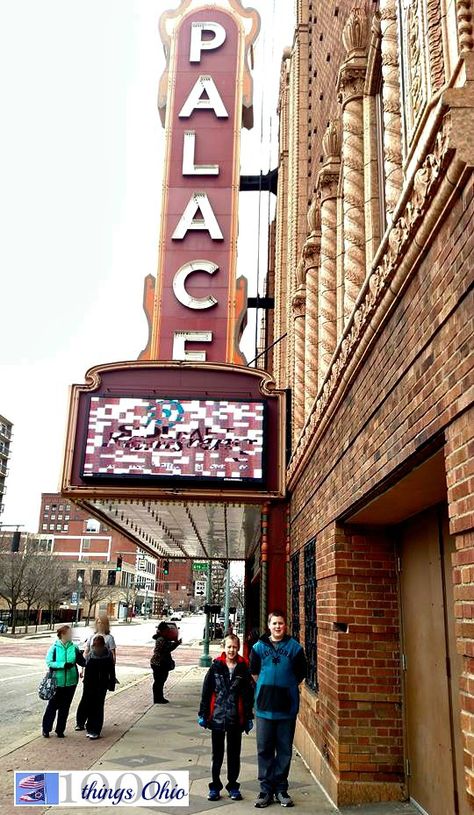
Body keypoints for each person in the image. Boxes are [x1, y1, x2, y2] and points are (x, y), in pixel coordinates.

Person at [250, 610, 307, 808]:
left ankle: (281, 789)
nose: (277, 627)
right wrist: (266, 689)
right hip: (265, 708)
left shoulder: (295, 649)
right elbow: (254, 672)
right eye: (274, 623)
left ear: (285, 625)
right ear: (269, 626)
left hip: (286, 708)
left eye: (281, 623)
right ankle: (265, 790)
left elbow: (301, 674)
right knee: (264, 749)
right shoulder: (257, 648)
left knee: (284, 750)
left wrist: (285, 688)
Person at [198, 634, 254, 802]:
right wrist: (203, 713)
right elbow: (206, 691)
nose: (232, 650)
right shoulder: (216, 666)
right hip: (217, 717)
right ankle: (215, 786)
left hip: (235, 719)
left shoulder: (244, 668)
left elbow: (248, 694)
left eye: (235, 647)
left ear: (238, 648)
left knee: (234, 754)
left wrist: (249, 716)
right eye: (229, 647)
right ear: (224, 647)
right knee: (217, 755)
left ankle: (233, 786)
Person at [42, 624, 85, 738]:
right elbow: (49, 662)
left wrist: (88, 655)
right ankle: (46, 729)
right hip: (57, 682)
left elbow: (82, 661)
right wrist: (62, 665)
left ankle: (60, 730)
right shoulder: (54, 648)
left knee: (65, 707)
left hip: (71, 682)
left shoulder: (74, 647)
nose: (71, 635)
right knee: (52, 706)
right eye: (69, 633)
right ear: (62, 635)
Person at [75, 634, 116, 739]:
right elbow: (85, 666)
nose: (96, 648)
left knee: (98, 707)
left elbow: (112, 671)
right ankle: (90, 728)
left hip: (101, 685)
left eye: (98, 645)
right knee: (90, 705)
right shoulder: (91, 655)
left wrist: (111, 684)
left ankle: (95, 730)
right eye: (95, 646)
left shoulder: (107, 656)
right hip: (90, 684)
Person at [150, 622, 181, 704]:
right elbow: (166, 649)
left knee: (161, 681)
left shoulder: (163, 639)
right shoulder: (161, 639)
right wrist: (175, 643)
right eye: (166, 631)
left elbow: (169, 648)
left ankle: (160, 697)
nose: (168, 632)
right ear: (162, 631)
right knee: (159, 681)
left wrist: (175, 643)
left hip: (160, 663)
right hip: (158, 663)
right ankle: (157, 698)